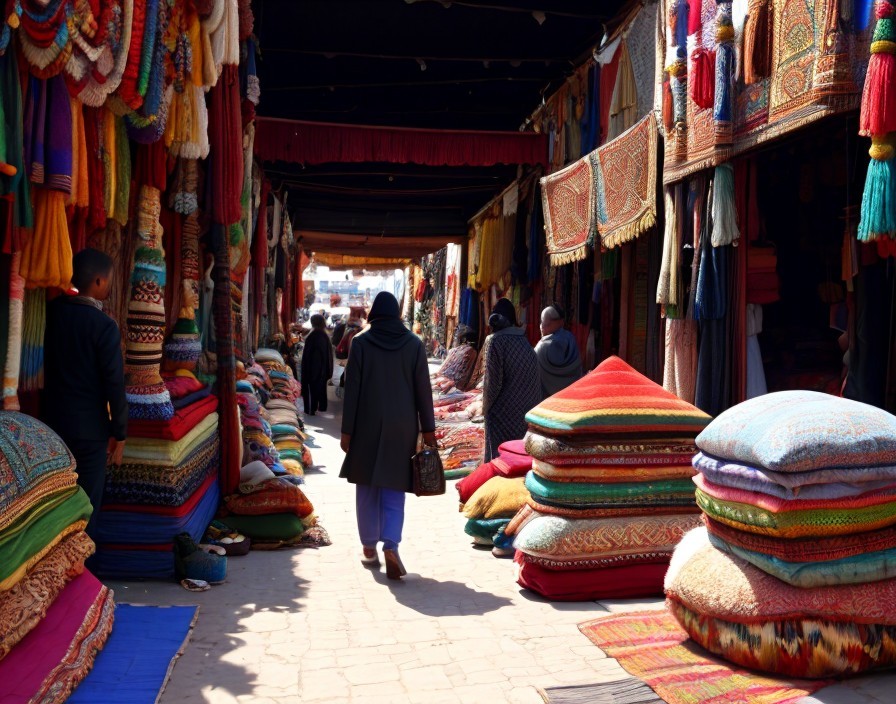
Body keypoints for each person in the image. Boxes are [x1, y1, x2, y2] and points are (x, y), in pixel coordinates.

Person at [340, 292, 435, 579]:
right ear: (397, 315)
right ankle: (391, 545)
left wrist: (346, 431)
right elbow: (423, 390)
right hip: (402, 426)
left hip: (367, 424)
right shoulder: (414, 345)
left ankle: (369, 548)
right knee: (394, 487)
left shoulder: (361, 343)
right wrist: (428, 430)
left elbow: (352, 391)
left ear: (373, 316)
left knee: (367, 487)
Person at [42, 248, 127, 541]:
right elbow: (114, 383)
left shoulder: (51, 313)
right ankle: (84, 577)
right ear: (100, 282)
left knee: (54, 503)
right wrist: (120, 432)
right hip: (90, 432)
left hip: (50, 425)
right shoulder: (104, 326)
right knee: (86, 507)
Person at [482, 298, 541, 461]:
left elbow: (491, 385)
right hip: (528, 412)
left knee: (491, 418)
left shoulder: (495, 341)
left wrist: (484, 408)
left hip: (506, 415)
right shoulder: (523, 340)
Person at [535, 304, 583, 398]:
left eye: (542, 322)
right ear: (561, 322)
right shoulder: (570, 338)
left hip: (547, 401)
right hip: (571, 395)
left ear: (548, 323)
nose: (541, 326)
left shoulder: (541, 347)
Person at [301, 314, 334, 416]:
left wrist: (312, 371)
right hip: (322, 369)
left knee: (312, 389)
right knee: (320, 388)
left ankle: (311, 409)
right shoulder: (324, 335)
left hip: (314, 369)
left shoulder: (315, 336)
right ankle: (320, 406)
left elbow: (314, 356)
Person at [431, 324, 478, 392]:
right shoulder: (458, 350)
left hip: (453, 383)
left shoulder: (468, 351)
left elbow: (460, 376)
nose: (455, 339)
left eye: (456, 337)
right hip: (447, 380)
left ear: (464, 339)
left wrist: (450, 383)